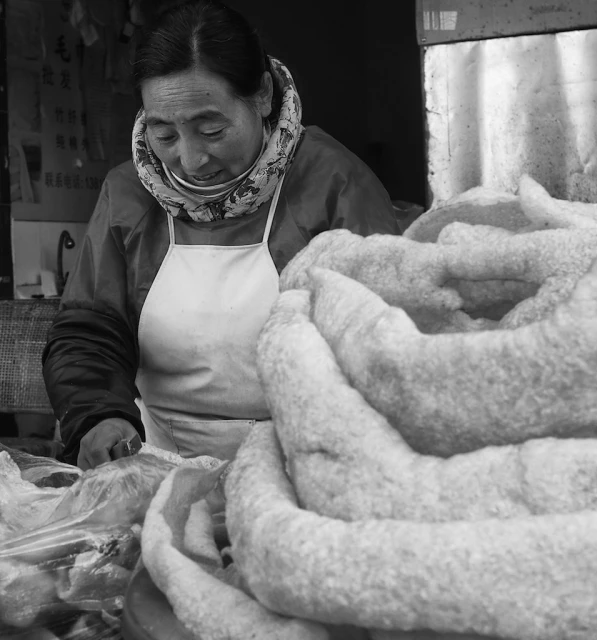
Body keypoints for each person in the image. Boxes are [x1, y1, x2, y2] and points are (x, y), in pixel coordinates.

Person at [42, 0, 399, 470]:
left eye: (211, 129)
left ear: (264, 96)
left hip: (304, 464)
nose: (190, 161)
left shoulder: (335, 184)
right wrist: (97, 416)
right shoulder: (128, 193)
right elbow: (89, 330)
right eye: (165, 134)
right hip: (154, 464)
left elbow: (381, 345)